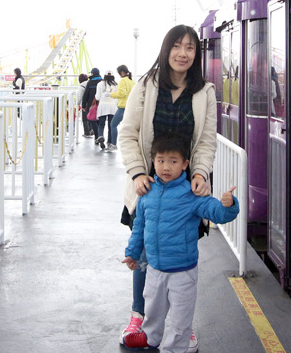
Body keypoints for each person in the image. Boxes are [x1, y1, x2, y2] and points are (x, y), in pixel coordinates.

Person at [117, 24, 217, 352]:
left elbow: (205, 142)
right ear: (166, 49)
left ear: (196, 54)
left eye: (190, 48)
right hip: (147, 186)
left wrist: (200, 173)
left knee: (180, 258)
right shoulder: (145, 86)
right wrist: (136, 173)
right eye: (177, 46)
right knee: (146, 254)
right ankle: (139, 316)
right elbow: (127, 132)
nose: (183, 53)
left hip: (185, 193)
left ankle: (179, 325)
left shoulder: (205, 92)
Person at [122, 134, 238, 352]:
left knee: (181, 316)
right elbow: (139, 227)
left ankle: (175, 347)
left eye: (173, 161)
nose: (166, 167)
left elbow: (216, 212)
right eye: (161, 160)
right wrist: (132, 252)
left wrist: (229, 206)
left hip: (182, 271)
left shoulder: (191, 194)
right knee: (153, 307)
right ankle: (150, 337)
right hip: (155, 268)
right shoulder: (147, 194)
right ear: (153, 161)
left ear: (185, 164)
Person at [108, 64, 134, 153]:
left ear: (122, 72)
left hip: (123, 107)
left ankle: (114, 144)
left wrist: (111, 94)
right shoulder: (132, 81)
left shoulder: (123, 81)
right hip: (130, 107)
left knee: (113, 124)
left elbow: (121, 93)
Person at [95, 70, 118, 150]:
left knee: (101, 124)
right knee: (111, 125)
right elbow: (116, 98)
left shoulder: (100, 84)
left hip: (103, 106)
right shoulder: (115, 84)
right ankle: (110, 141)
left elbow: (97, 97)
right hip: (112, 106)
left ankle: (101, 136)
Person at [80, 68, 102, 141]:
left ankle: (96, 136)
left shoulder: (90, 82)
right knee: (100, 120)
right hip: (101, 103)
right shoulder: (102, 81)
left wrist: (83, 105)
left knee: (92, 120)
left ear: (92, 73)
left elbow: (86, 95)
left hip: (91, 104)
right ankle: (100, 135)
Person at [76, 73, 91, 137]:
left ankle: (86, 132)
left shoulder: (81, 86)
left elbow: (79, 96)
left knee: (85, 118)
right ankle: (91, 130)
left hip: (85, 103)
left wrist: (77, 104)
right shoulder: (90, 83)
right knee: (91, 117)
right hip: (91, 103)